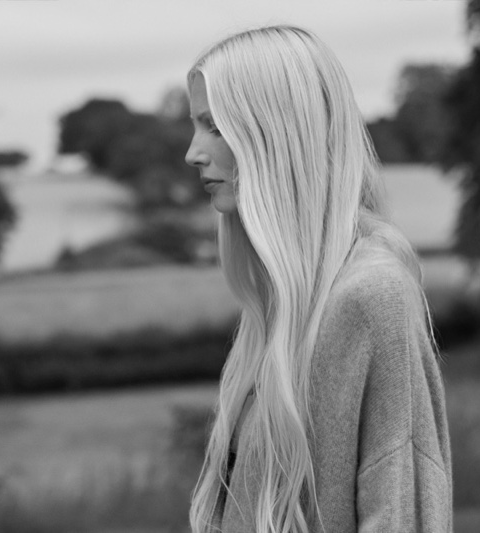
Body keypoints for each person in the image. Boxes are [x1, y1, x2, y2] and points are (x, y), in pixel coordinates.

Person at [184, 25, 452, 533]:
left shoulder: (373, 295)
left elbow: (401, 513)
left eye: (215, 126)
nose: (193, 152)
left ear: (278, 132)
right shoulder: (287, 303)